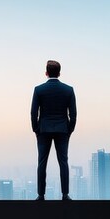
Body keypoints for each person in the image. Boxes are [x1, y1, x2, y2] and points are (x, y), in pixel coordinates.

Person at [30, 60, 77, 201]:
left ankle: (41, 195)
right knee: (63, 162)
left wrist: (36, 129)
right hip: (62, 130)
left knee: (42, 162)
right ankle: (65, 195)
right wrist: (69, 130)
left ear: (46, 73)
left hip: (44, 130)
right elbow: (73, 114)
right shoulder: (68, 90)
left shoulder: (39, 90)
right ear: (59, 73)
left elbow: (33, 113)